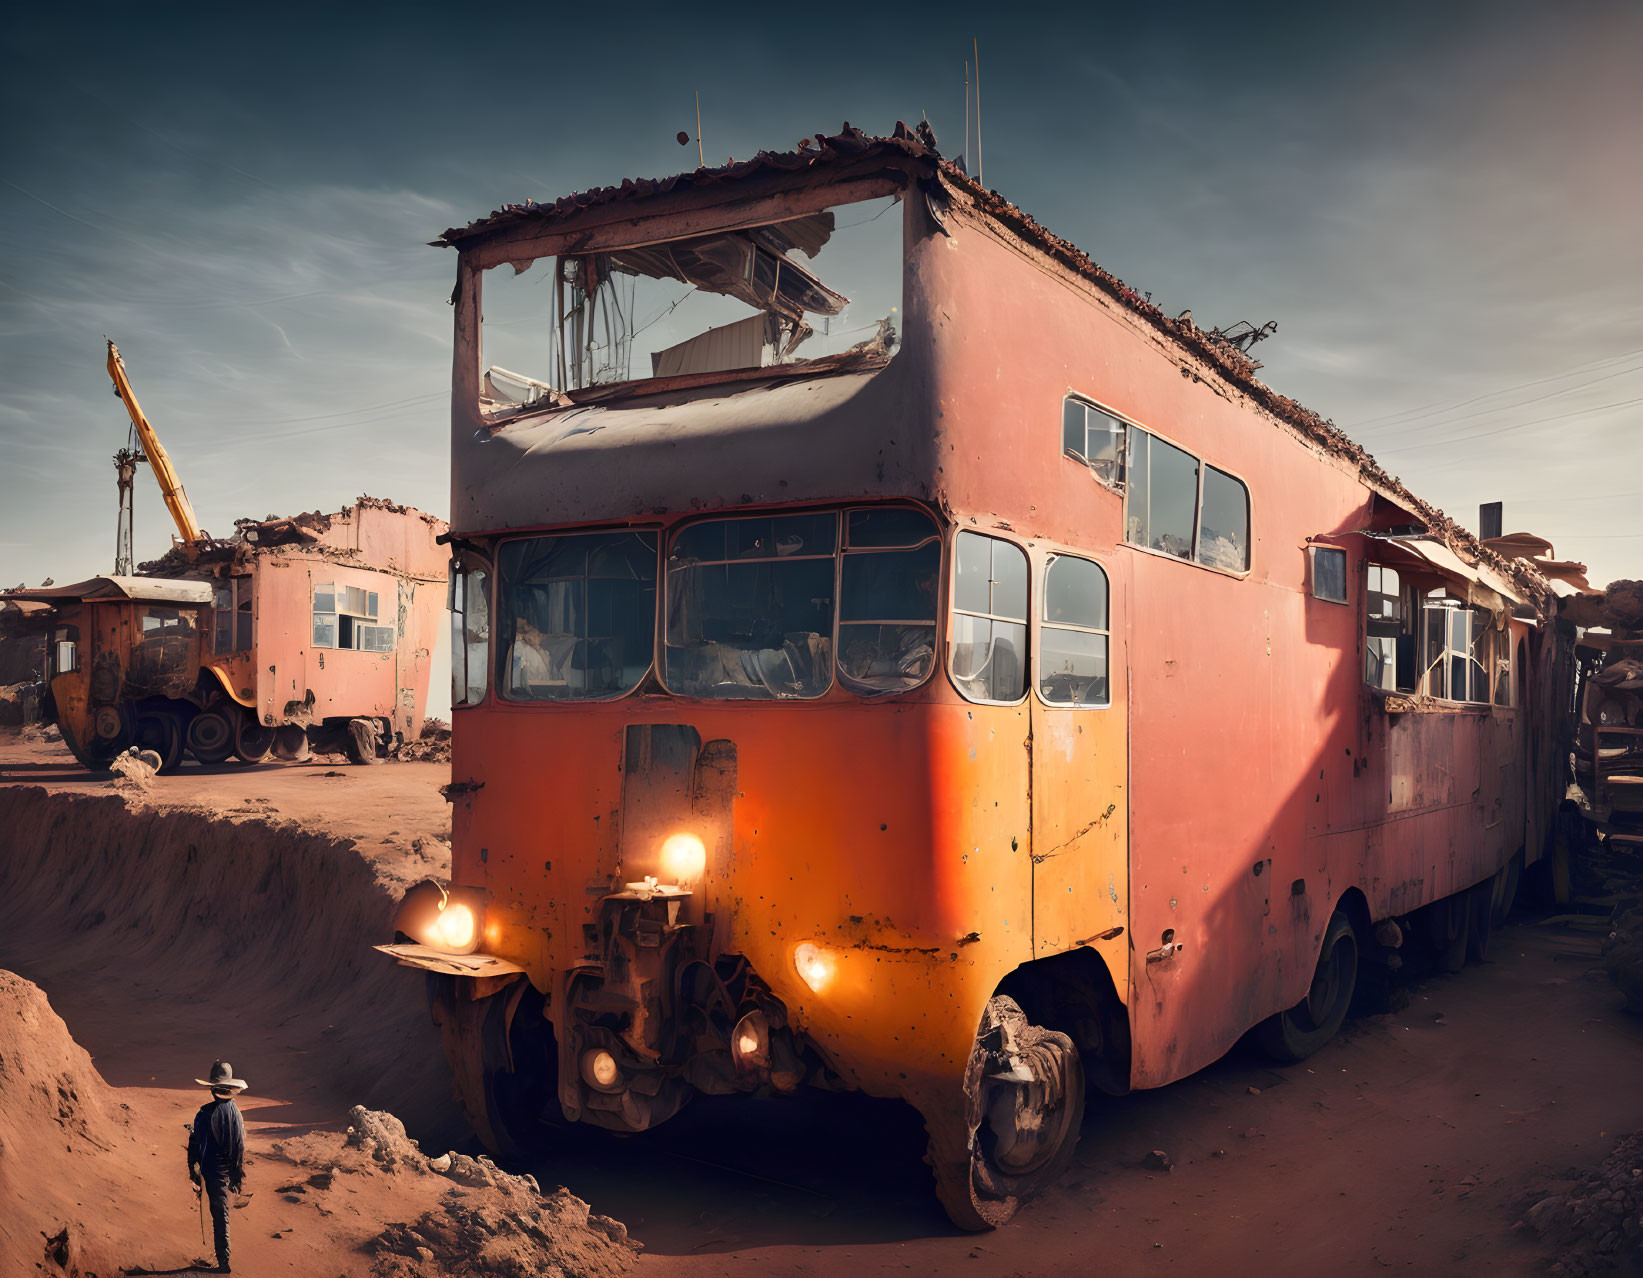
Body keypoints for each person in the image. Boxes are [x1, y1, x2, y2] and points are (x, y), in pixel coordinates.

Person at [187, 1060, 248, 1274]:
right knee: (221, 1213)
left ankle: (224, 1261)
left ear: (213, 1088)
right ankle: (223, 1258)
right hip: (227, 1173)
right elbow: (238, 1148)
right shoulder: (236, 1114)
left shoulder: (205, 1113)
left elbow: (197, 1147)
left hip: (212, 1172)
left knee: (219, 1214)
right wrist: (236, 1175)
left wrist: (194, 1170)